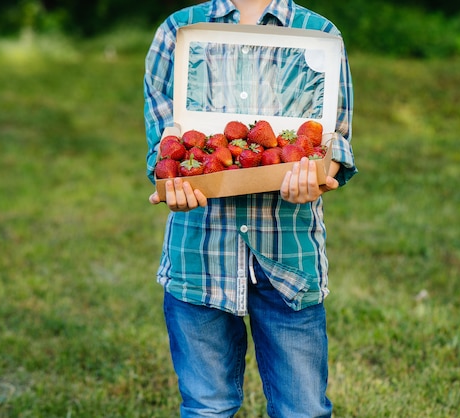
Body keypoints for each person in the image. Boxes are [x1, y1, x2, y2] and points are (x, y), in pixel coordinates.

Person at [144, 0, 357, 416]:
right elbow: (165, 145)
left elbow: (336, 137)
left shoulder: (317, 32)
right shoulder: (179, 30)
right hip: (200, 257)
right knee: (207, 407)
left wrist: (315, 174)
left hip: (288, 257)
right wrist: (173, 181)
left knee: (303, 409)